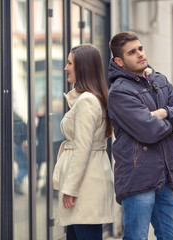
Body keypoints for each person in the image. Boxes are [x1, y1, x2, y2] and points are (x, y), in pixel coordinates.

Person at [107, 31, 173, 240]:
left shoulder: (159, 80)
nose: (139, 54)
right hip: (138, 180)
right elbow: (149, 130)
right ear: (119, 61)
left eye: (140, 48)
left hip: (165, 177)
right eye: (132, 52)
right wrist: (172, 120)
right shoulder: (119, 92)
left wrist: (165, 112)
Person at [53, 44, 115, 240]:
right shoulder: (90, 98)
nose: (66, 67)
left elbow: (82, 148)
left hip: (84, 186)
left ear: (83, 67)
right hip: (86, 183)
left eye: (70, 63)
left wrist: (70, 189)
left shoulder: (87, 101)